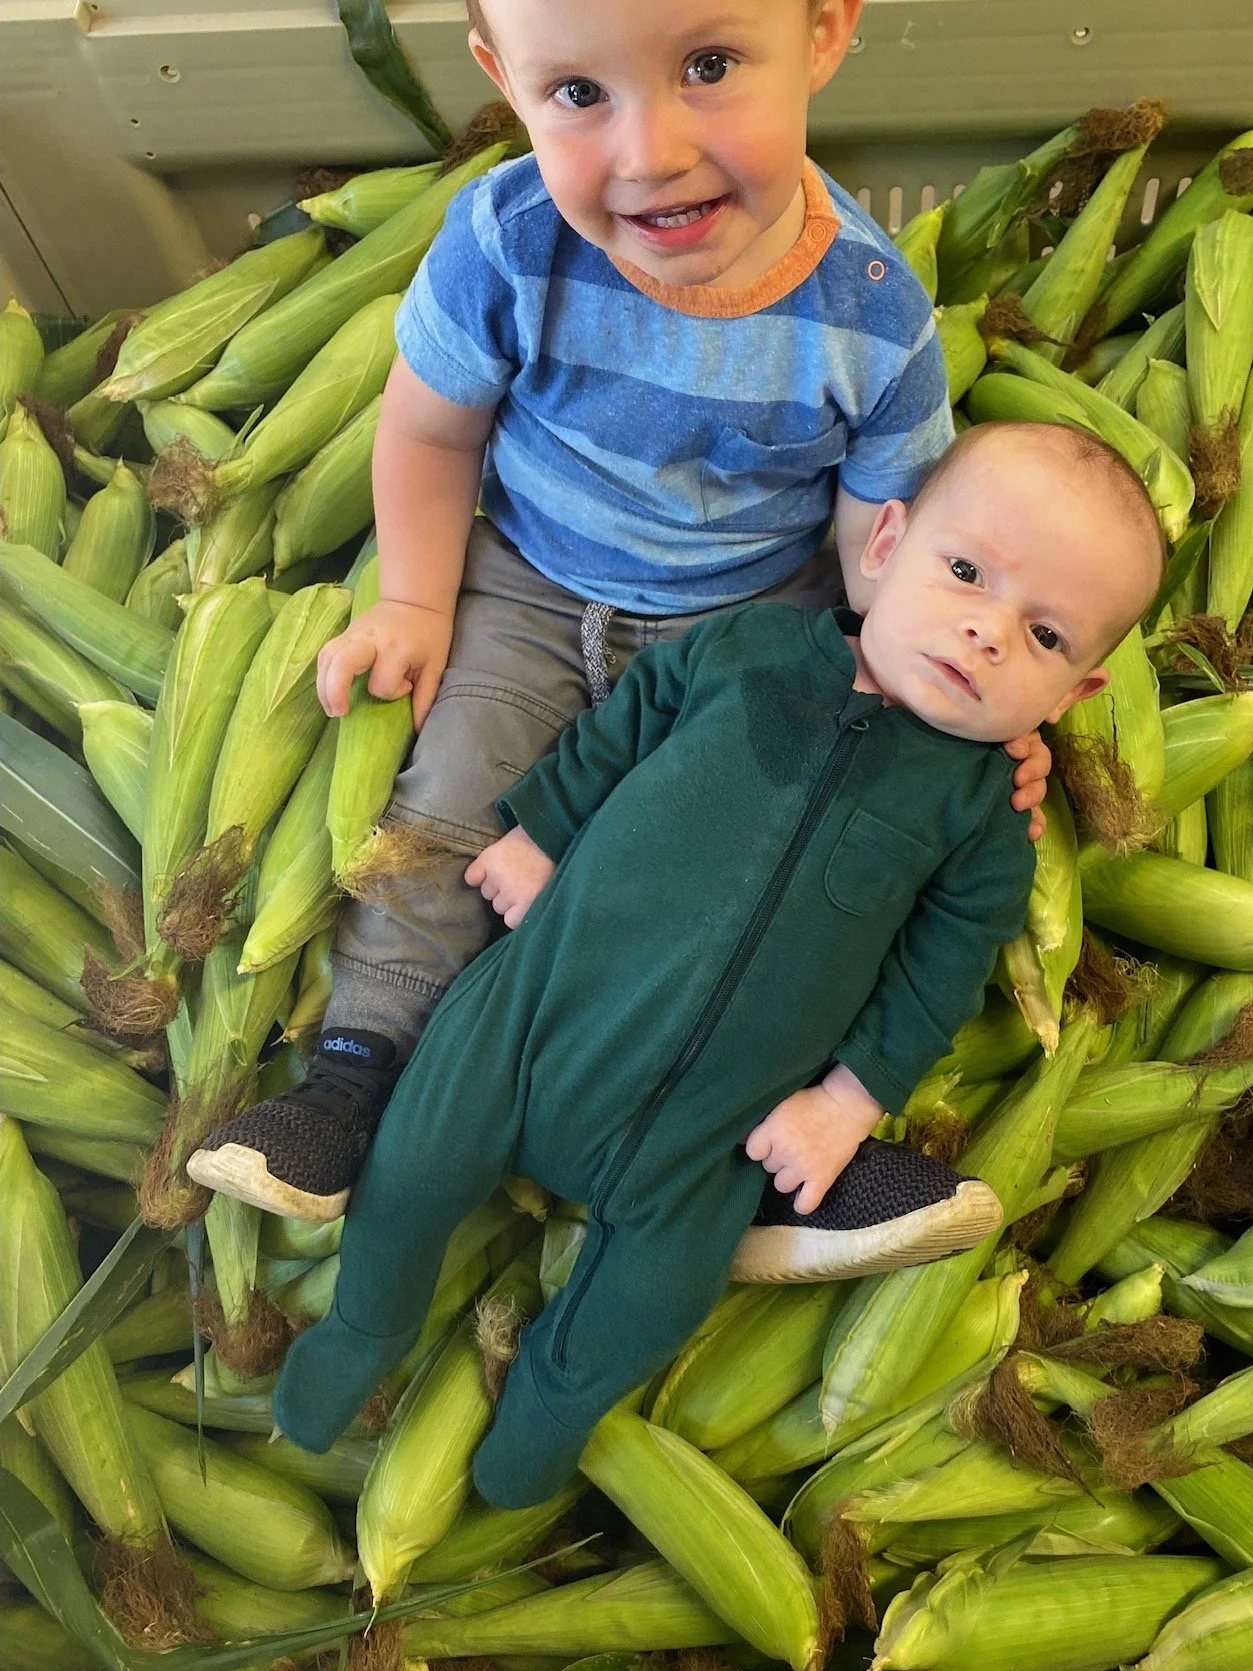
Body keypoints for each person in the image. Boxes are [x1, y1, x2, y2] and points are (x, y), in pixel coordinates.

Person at [189, 0, 1052, 1273]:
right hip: (528, 579)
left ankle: (779, 1152)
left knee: (785, 876)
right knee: (444, 808)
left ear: (826, 27)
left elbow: (878, 542)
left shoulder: (867, 311)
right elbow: (431, 428)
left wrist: (953, 677)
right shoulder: (507, 241)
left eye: (709, 64)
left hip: (753, 619)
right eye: (575, 90)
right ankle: (353, 1082)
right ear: (501, 71)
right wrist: (413, 598)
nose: (647, 152)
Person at [207, 420, 1167, 1510]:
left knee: (659, 1294)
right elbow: (626, 722)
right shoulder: (750, 648)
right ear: (885, 544)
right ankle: (363, 1325)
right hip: (530, 1021)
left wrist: (846, 1105)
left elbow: (935, 977)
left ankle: (555, 1405)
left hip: (709, 1126)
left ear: (1077, 693)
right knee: (415, 1166)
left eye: (1044, 638)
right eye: (965, 572)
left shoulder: (982, 820)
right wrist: (545, 830)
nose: (987, 633)